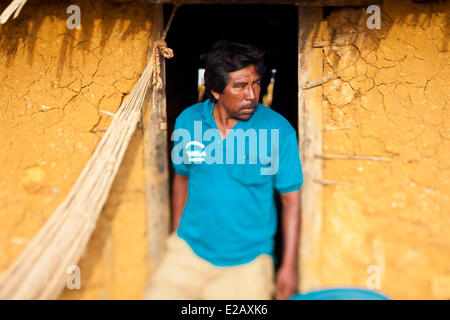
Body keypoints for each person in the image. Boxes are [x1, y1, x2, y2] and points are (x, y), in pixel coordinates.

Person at [145, 41, 303, 300]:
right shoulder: (188, 121)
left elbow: (291, 200)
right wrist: (175, 237)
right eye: (240, 86)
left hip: (248, 262)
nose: (252, 95)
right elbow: (181, 181)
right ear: (216, 92)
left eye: (255, 83)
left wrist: (288, 266)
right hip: (188, 252)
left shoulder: (279, 130)